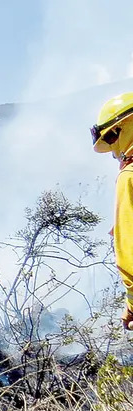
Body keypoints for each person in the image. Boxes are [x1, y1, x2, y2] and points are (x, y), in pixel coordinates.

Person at [92, 92, 133, 329]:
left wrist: (131, 307)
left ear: (125, 127)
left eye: (110, 139)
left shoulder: (129, 176)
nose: (114, 152)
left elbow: (129, 256)